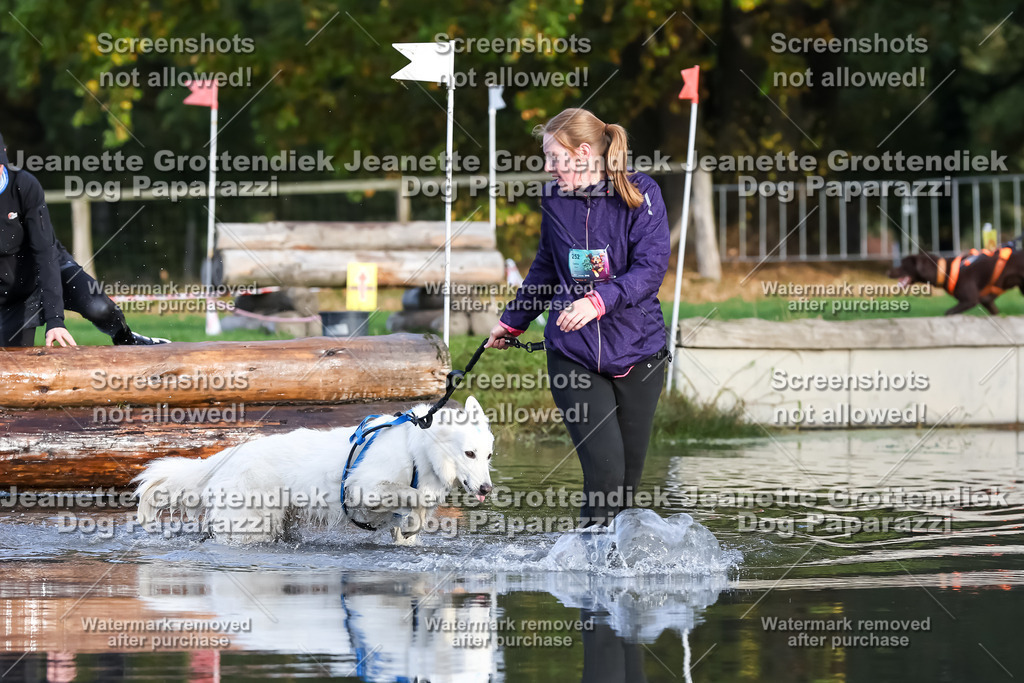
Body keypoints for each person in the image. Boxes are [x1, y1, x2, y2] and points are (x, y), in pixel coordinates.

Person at [486, 107, 671, 527]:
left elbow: (650, 269)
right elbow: (547, 266)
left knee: (626, 485)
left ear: (583, 152)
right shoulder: (554, 200)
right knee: (604, 474)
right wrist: (514, 320)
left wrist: (598, 302)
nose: (548, 167)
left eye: (553, 157)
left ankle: (617, 580)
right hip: (575, 353)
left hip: (639, 350)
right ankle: (590, 573)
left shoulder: (642, 194)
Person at [0, 132, 168, 347]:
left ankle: (127, 339)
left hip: (51, 266)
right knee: (13, 369)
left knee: (99, 307)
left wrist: (55, 320)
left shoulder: (25, 186)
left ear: (4, 156)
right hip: (11, 292)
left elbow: (44, 252)